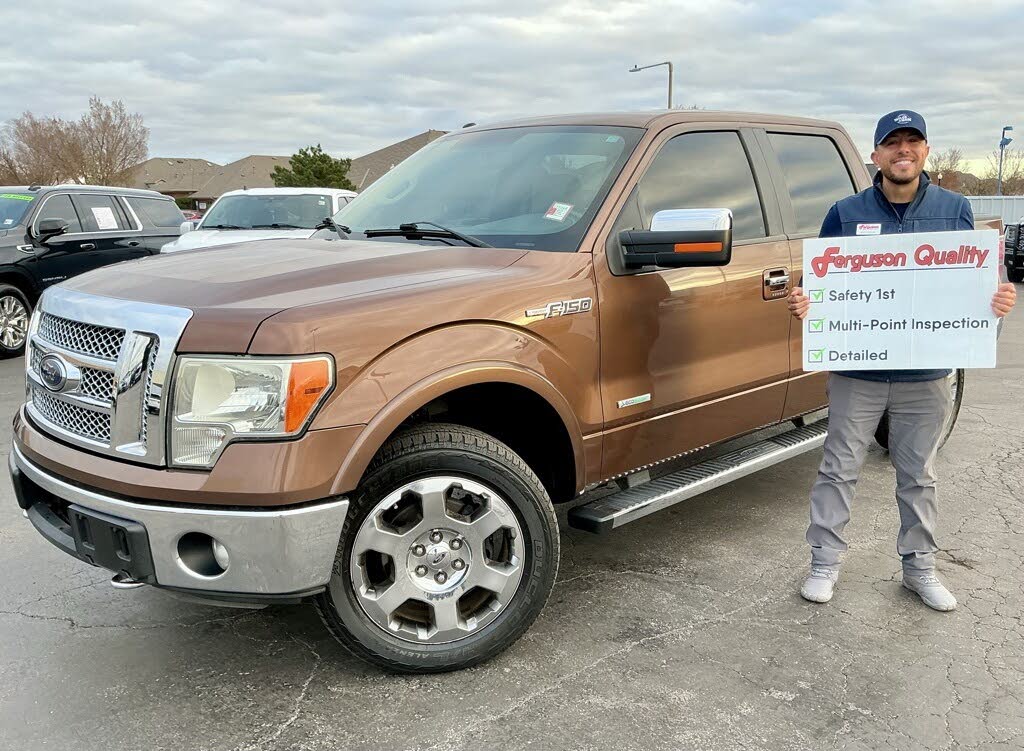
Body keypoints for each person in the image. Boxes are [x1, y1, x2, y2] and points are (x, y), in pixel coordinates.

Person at [787, 110, 1017, 611]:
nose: (903, 151)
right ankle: (824, 563)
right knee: (838, 469)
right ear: (876, 154)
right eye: (893, 143)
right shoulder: (844, 213)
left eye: (913, 142)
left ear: (926, 152)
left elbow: (979, 284)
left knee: (919, 476)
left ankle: (920, 570)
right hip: (858, 371)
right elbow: (819, 282)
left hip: (926, 374)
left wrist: (994, 304)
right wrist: (807, 302)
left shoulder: (954, 210)